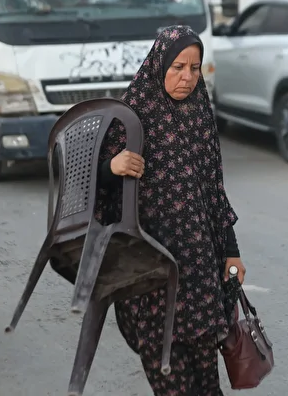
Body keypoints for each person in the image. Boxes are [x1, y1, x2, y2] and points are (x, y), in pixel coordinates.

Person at [95, 25, 246, 395]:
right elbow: (86, 178)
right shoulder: (131, 114)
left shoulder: (199, 113)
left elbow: (213, 190)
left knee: (207, 384)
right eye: (178, 67)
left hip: (198, 270)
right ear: (159, 64)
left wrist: (231, 250)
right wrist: (112, 165)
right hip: (151, 269)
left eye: (194, 68)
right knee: (172, 383)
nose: (187, 77)